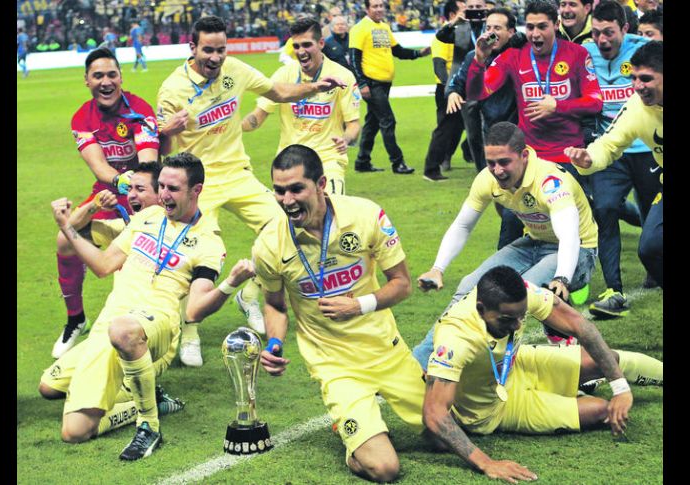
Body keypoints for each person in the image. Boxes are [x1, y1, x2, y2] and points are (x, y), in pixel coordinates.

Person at [156, 15, 347, 366]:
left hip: (238, 173)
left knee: (285, 227)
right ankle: (190, 330)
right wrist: (166, 131)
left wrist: (316, 88)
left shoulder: (236, 69)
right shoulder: (172, 89)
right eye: (208, 51)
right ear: (192, 48)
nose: (215, 58)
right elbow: (164, 154)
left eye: (221, 50)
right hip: (199, 184)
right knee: (198, 254)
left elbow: (278, 92)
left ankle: (250, 292)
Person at [41, 153, 257, 460]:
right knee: (48, 386)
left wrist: (231, 284)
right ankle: (147, 395)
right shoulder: (146, 218)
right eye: (163, 187)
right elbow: (103, 266)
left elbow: (195, 309)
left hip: (154, 327)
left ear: (196, 191)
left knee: (74, 432)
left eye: (173, 189)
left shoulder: (209, 243)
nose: (165, 195)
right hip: (108, 329)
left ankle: (149, 425)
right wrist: (67, 224)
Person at [255, 145, 427, 482]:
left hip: (384, 348)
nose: (287, 200)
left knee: (446, 429)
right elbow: (275, 305)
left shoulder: (365, 215)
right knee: (385, 468)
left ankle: (363, 424)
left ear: (321, 184)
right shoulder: (269, 245)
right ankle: (354, 430)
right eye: (279, 190)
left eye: (296, 189)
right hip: (334, 364)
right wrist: (274, 342)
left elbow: (402, 284)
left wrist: (359, 305)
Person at [422, 266, 663, 483]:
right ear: (481, 309)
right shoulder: (455, 337)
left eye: (521, 316)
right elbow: (434, 413)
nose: (518, 325)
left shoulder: (522, 294)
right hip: (493, 410)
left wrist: (621, 387)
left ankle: (589, 382)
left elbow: (579, 324)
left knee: (608, 359)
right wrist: (487, 463)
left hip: (520, 363)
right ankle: (579, 389)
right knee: (602, 409)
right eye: (507, 319)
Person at [413, 121, 598, 365]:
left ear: (523, 156)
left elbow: (569, 235)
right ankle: (421, 361)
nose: (497, 170)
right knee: (470, 284)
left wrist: (562, 277)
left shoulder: (550, 182)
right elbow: (462, 225)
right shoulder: (486, 179)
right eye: (491, 163)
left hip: (579, 252)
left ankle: (484, 361)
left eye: (504, 162)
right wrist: (438, 268)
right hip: (533, 244)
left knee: (518, 292)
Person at [466, 0, 602, 256]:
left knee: (571, 221)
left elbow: (595, 102)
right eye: (530, 27)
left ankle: (572, 275)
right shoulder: (513, 57)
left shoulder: (577, 54)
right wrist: (479, 61)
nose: (536, 34)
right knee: (510, 220)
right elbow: (478, 92)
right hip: (530, 156)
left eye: (542, 26)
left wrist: (558, 105)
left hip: (568, 155)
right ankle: (502, 281)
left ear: (556, 25)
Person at [54, 47, 160, 359]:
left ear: (121, 78)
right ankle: (76, 318)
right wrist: (117, 184)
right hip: (106, 195)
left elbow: (148, 161)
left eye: (111, 74)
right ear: (87, 81)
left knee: (142, 260)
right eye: (98, 76)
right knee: (65, 240)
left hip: (147, 194)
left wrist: (133, 189)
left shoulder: (140, 109)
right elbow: (99, 167)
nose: (105, 81)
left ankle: (169, 322)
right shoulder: (81, 118)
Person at [582, 1, 661, 318]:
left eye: (609, 33)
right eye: (596, 32)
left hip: (648, 154)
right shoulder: (584, 55)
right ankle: (613, 288)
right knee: (604, 208)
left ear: (624, 29)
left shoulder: (646, 49)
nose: (602, 40)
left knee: (649, 226)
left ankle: (654, 271)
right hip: (611, 149)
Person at [565, 40, 663, 288]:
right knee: (649, 249)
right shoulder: (635, 106)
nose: (638, 86)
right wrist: (588, 158)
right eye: (634, 78)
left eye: (646, 79)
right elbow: (609, 143)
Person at [52, 162, 162, 358]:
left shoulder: (177, 228)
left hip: (159, 315)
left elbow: (103, 267)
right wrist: (95, 205)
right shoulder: (128, 226)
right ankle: (76, 318)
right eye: (130, 189)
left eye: (140, 189)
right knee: (49, 387)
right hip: (121, 316)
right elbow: (68, 230)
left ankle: (189, 333)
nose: (131, 195)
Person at [242, 17, 361, 196]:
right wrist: (232, 126)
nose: (301, 51)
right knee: (288, 219)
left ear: (321, 43)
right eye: (296, 46)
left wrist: (345, 139)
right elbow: (257, 117)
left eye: (306, 45)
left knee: (334, 210)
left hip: (328, 159)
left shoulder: (342, 75)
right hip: (289, 162)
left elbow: (353, 124)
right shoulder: (283, 75)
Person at [349, 0, 431, 175]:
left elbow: (398, 51)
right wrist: (361, 83)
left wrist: (418, 53)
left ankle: (362, 161)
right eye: (375, 6)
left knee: (373, 123)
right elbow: (354, 59)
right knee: (388, 121)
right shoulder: (360, 28)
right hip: (372, 83)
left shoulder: (384, 27)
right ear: (367, 8)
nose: (379, 9)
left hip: (383, 83)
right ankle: (397, 162)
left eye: (381, 6)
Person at [443, 6, 521, 177]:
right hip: (492, 130)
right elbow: (457, 82)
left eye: (497, 28)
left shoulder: (523, 51)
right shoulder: (475, 55)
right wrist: (453, 93)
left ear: (511, 32)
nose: (491, 33)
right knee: (500, 185)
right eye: (489, 28)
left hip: (522, 129)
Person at [434, 0, 487, 172]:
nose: (475, 11)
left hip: (490, 87)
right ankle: (481, 171)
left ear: (485, 8)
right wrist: (454, 22)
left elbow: (499, 41)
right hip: (466, 88)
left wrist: (489, 36)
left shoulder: (492, 28)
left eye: (479, 8)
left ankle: (494, 167)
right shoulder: (460, 29)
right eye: (471, 8)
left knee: (490, 130)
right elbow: (440, 36)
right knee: (472, 134)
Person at [422, 0, 467, 182]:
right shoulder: (442, 35)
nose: (468, 13)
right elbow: (439, 65)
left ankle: (446, 159)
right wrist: (450, 89)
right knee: (446, 128)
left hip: (462, 86)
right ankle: (431, 168)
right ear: (452, 15)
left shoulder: (464, 32)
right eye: (464, 10)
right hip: (448, 88)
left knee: (459, 126)